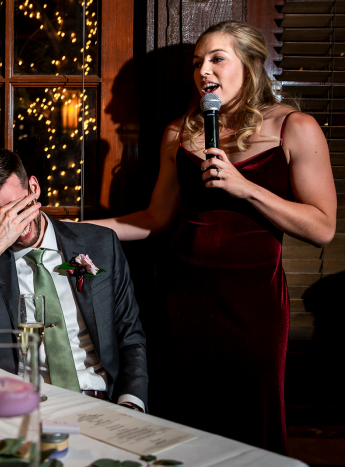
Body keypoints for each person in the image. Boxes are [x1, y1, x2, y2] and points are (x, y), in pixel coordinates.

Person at [83, 21, 336, 453]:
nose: (203, 70)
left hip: (253, 303)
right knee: (181, 427)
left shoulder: (295, 126)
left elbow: (322, 228)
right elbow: (154, 219)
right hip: (181, 297)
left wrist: (246, 187)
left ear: (251, 65)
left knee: (249, 426)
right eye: (197, 61)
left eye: (218, 58)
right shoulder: (179, 132)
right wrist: (74, 230)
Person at [0, 149, 148, 411]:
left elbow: (130, 336)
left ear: (34, 189)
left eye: (17, 208)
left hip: (100, 400)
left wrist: (132, 403)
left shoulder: (101, 244)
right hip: (22, 405)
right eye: (0, 216)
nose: (16, 224)